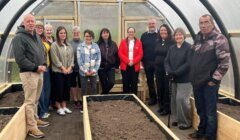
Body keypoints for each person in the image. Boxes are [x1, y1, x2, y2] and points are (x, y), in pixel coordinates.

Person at [189, 14, 230, 140]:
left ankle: (209, 135)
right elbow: (194, 58)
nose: (203, 25)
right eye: (201, 23)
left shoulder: (219, 39)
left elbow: (224, 63)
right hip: (197, 81)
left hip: (209, 83)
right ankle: (201, 131)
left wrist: (214, 80)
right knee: (200, 109)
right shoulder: (198, 38)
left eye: (206, 22)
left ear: (212, 23)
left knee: (210, 111)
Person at [12, 14, 49, 139]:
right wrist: (35, 67)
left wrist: (43, 64)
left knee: (36, 99)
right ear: (24, 23)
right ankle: (32, 127)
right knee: (29, 101)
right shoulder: (19, 38)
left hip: (39, 72)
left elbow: (42, 52)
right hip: (29, 73)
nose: (31, 23)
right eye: (28, 21)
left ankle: (35, 119)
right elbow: (20, 59)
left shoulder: (36, 36)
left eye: (32, 21)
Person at [164, 27, 192, 129]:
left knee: (181, 99)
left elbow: (188, 63)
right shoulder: (172, 48)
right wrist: (169, 71)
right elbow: (166, 61)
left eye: (180, 34)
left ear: (184, 36)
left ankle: (185, 122)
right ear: (174, 36)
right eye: (176, 35)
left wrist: (176, 73)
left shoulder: (189, 47)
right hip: (173, 78)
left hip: (185, 79)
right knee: (174, 99)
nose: (178, 36)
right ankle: (176, 119)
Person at [50, 26, 74, 116]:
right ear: (57, 34)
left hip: (68, 71)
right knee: (58, 89)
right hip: (58, 72)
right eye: (61, 33)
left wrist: (70, 67)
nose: (63, 34)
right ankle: (59, 107)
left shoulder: (69, 45)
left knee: (66, 89)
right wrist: (63, 68)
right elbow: (55, 59)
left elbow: (72, 57)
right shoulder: (54, 45)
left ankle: (64, 106)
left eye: (64, 33)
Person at [155, 24, 175, 116]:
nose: (163, 32)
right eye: (161, 30)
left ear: (168, 31)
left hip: (167, 69)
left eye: (164, 30)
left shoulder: (171, 42)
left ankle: (167, 108)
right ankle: (161, 106)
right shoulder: (158, 41)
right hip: (158, 68)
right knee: (159, 87)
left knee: (166, 88)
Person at [118, 27, 143, 95]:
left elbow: (140, 54)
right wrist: (128, 61)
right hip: (125, 66)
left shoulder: (139, 42)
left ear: (134, 33)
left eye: (132, 32)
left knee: (134, 84)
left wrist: (133, 62)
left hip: (135, 66)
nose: (131, 33)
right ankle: (126, 100)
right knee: (125, 83)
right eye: (129, 32)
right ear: (127, 33)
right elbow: (120, 53)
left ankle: (134, 100)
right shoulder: (123, 42)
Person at [35, 21, 52, 119]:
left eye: (41, 28)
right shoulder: (34, 39)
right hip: (39, 68)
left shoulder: (43, 39)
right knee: (41, 90)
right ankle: (41, 112)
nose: (40, 29)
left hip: (47, 67)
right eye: (38, 27)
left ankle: (45, 109)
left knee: (47, 88)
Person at [77, 29, 101, 96]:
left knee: (94, 88)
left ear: (92, 37)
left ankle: (93, 104)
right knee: (84, 89)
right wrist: (85, 71)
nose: (88, 38)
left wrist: (94, 70)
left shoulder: (96, 46)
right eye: (87, 36)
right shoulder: (80, 47)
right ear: (84, 36)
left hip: (93, 72)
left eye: (90, 36)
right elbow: (79, 61)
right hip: (83, 72)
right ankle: (84, 104)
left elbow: (98, 59)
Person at [141, 18, 158, 105]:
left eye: (153, 23)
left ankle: (161, 99)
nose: (151, 25)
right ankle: (153, 98)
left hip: (158, 63)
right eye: (150, 24)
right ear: (148, 25)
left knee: (159, 81)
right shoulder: (144, 35)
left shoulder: (160, 34)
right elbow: (141, 49)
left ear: (156, 24)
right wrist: (142, 61)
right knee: (150, 81)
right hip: (147, 62)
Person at [97, 28, 119, 94]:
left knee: (111, 82)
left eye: (107, 33)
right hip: (101, 67)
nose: (105, 34)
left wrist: (117, 66)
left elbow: (117, 56)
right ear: (101, 34)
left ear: (109, 34)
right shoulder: (97, 44)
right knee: (104, 84)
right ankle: (105, 99)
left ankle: (102, 94)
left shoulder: (113, 44)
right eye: (104, 33)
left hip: (111, 67)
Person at [70, 26, 82, 108]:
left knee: (81, 84)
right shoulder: (69, 43)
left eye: (77, 33)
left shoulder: (83, 43)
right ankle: (75, 99)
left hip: (81, 67)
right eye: (74, 33)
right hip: (72, 67)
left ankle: (80, 98)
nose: (76, 34)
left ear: (79, 33)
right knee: (73, 83)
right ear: (72, 34)